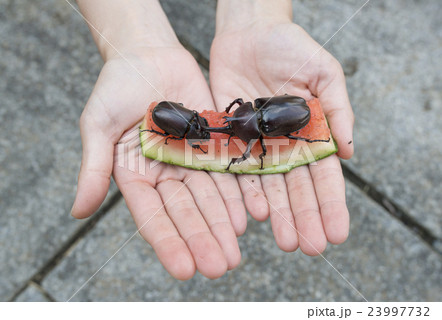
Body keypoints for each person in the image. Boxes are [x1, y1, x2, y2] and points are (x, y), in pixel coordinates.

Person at [71, 0, 354, 280]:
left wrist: (257, 15)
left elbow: (253, 135)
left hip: (294, 115)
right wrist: (134, 41)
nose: (229, 127)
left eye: (232, 124)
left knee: (280, 139)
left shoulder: (257, 120)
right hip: (277, 109)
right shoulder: (254, 112)